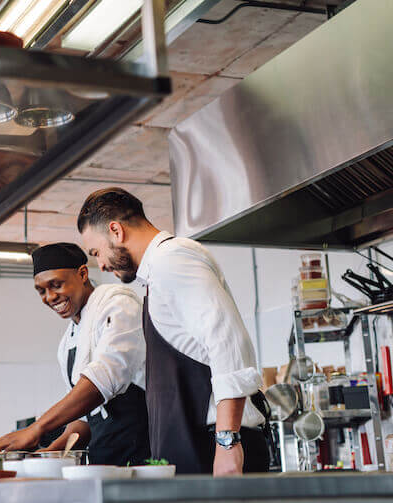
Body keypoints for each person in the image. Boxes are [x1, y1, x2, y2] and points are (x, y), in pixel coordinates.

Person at [77, 188, 269, 476]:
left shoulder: (172, 260)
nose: (101, 264)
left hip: (213, 448)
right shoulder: (159, 271)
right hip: (195, 447)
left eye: (96, 252)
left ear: (115, 231)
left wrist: (227, 443)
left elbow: (228, 342)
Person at [0, 243, 150, 466]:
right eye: (41, 291)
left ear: (83, 274)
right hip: (102, 461)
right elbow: (82, 422)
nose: (50, 297)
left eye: (56, 285)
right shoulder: (68, 342)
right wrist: (46, 456)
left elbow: (102, 381)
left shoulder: (119, 306)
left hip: (142, 456)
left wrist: (37, 429)